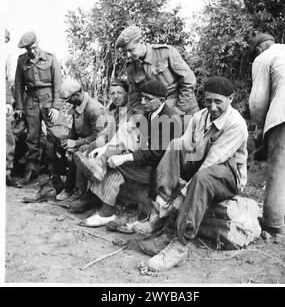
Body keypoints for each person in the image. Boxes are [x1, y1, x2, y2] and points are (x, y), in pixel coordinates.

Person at [136, 76, 248, 271]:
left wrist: (183, 193)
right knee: (175, 145)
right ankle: (161, 212)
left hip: (226, 176)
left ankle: (180, 245)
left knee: (202, 178)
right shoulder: (200, 116)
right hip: (201, 167)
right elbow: (186, 146)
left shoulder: (236, 124)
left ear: (231, 98)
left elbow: (214, 160)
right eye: (208, 100)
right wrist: (172, 189)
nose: (212, 107)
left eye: (218, 102)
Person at [70, 80, 183, 230]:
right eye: (143, 97)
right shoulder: (149, 113)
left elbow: (154, 154)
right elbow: (128, 134)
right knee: (120, 143)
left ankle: (106, 210)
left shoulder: (170, 119)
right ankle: (100, 169)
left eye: (148, 98)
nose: (143, 101)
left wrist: (123, 157)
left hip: (158, 171)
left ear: (161, 100)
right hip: (144, 159)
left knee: (114, 164)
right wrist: (104, 149)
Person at [248, 33, 285, 236]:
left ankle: (273, 225)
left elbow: (258, 102)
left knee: (278, 167)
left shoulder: (262, 58)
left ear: (258, 50)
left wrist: (260, 129)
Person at [115, 25, 199, 118]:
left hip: (185, 109)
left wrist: (180, 109)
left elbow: (188, 80)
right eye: (125, 53)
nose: (128, 55)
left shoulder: (165, 52)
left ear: (141, 42)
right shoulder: (131, 68)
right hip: (159, 115)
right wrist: (140, 118)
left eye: (131, 50)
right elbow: (135, 98)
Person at [14, 31, 62, 185]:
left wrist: (56, 106)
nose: (32, 52)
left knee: (55, 134)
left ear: (38, 43)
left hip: (48, 99)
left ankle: (55, 168)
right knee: (32, 136)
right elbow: (19, 85)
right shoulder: (22, 61)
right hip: (31, 101)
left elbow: (58, 84)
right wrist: (19, 106)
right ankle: (32, 168)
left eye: (34, 48)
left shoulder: (50, 58)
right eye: (28, 50)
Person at [55, 77, 111, 201]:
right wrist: (68, 142)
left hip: (98, 144)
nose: (68, 103)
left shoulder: (95, 109)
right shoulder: (77, 106)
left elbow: (98, 137)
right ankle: (60, 182)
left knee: (80, 151)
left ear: (78, 94)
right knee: (56, 142)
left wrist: (75, 143)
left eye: (69, 100)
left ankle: (77, 190)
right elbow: (74, 130)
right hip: (86, 139)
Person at [5, 29, 17, 186]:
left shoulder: (6, 57)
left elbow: (6, 81)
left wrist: (8, 102)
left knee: (7, 135)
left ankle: (6, 171)